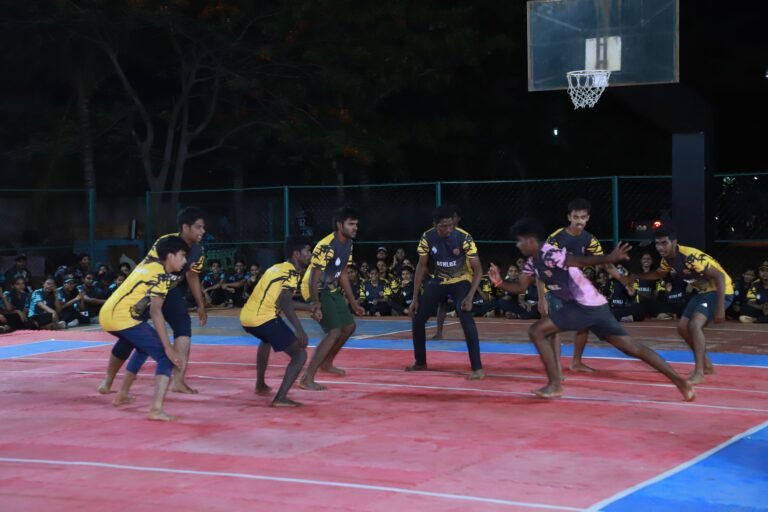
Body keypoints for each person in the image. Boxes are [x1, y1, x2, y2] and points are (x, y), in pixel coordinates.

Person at [488, 218, 694, 401]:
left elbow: (581, 260)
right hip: (595, 306)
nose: (517, 245)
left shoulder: (550, 253)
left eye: (519, 241)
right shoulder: (532, 263)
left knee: (537, 331)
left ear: (530, 240)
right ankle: (680, 382)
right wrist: (499, 283)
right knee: (633, 348)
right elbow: (521, 287)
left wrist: (610, 258)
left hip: (583, 306)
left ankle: (555, 385)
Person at [97, 207, 207, 395]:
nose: (202, 231)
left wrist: (201, 304)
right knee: (130, 337)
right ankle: (109, 379)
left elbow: (193, 276)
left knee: (183, 327)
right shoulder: (166, 242)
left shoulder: (198, 251)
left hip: (170, 290)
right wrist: (144, 298)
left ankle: (178, 381)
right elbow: (151, 270)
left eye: (203, 227)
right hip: (148, 291)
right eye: (198, 227)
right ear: (185, 227)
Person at [623, 225, 734, 384]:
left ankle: (699, 372)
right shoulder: (667, 259)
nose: (660, 247)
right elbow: (659, 274)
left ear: (674, 242)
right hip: (703, 292)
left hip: (720, 291)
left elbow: (720, 277)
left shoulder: (691, 257)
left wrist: (720, 308)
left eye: (664, 243)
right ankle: (707, 365)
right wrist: (636, 276)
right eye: (657, 243)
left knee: (695, 324)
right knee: (682, 328)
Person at [98, 236, 187, 421]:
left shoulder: (148, 264)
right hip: (121, 318)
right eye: (182, 255)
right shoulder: (161, 276)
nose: (185, 261)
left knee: (142, 348)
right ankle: (156, 409)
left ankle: (122, 394)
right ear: (170, 256)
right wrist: (169, 349)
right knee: (165, 357)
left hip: (108, 314)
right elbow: (156, 312)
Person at [543, 198, 632, 374]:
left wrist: (623, 280)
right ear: (569, 217)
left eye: (583, 217)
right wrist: (541, 298)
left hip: (574, 288)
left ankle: (576, 362)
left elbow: (606, 263)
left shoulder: (589, 239)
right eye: (576, 217)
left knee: (585, 321)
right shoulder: (556, 238)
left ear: (588, 218)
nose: (579, 221)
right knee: (555, 328)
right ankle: (555, 368)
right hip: (554, 287)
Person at [240, 236, 320, 407]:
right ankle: (281, 398)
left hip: (247, 318)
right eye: (307, 251)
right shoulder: (291, 272)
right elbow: (284, 302)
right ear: (296, 254)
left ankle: (260, 384)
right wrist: (300, 330)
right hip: (263, 318)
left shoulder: (278, 268)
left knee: (266, 340)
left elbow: (282, 300)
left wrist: (309, 308)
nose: (310, 255)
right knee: (299, 355)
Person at [407, 205, 485, 379]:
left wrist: (470, 296)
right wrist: (415, 298)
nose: (449, 229)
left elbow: (478, 269)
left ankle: (477, 368)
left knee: (465, 316)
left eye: (451, 225)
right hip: (439, 280)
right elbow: (421, 266)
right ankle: (420, 362)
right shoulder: (427, 237)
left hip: (461, 281)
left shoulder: (464, 237)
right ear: (434, 224)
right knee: (418, 318)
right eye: (444, 226)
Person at [299, 206, 365, 390]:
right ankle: (306, 378)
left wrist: (353, 302)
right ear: (339, 225)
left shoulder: (348, 244)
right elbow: (313, 277)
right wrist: (315, 304)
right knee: (333, 331)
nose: (355, 227)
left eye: (356, 224)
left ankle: (326, 363)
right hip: (316, 289)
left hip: (331, 288)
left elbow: (343, 274)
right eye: (351, 224)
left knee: (349, 327)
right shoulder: (326, 246)